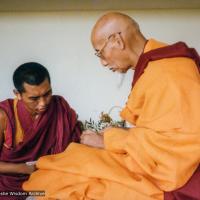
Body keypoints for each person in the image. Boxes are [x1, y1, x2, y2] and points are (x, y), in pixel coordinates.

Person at [23, 12, 200, 200]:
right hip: (147, 160)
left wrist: (109, 141)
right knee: (66, 165)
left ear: (116, 40)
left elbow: (176, 154)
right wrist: (114, 137)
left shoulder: (168, 72)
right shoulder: (156, 66)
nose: (103, 62)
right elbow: (162, 133)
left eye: (100, 52)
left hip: (165, 174)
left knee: (65, 176)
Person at [0, 62, 81, 199]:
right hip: (9, 186)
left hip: (47, 177)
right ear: (18, 94)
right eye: (34, 98)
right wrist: (25, 168)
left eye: (47, 93)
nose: (43, 103)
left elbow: (72, 145)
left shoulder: (59, 107)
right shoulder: (4, 116)